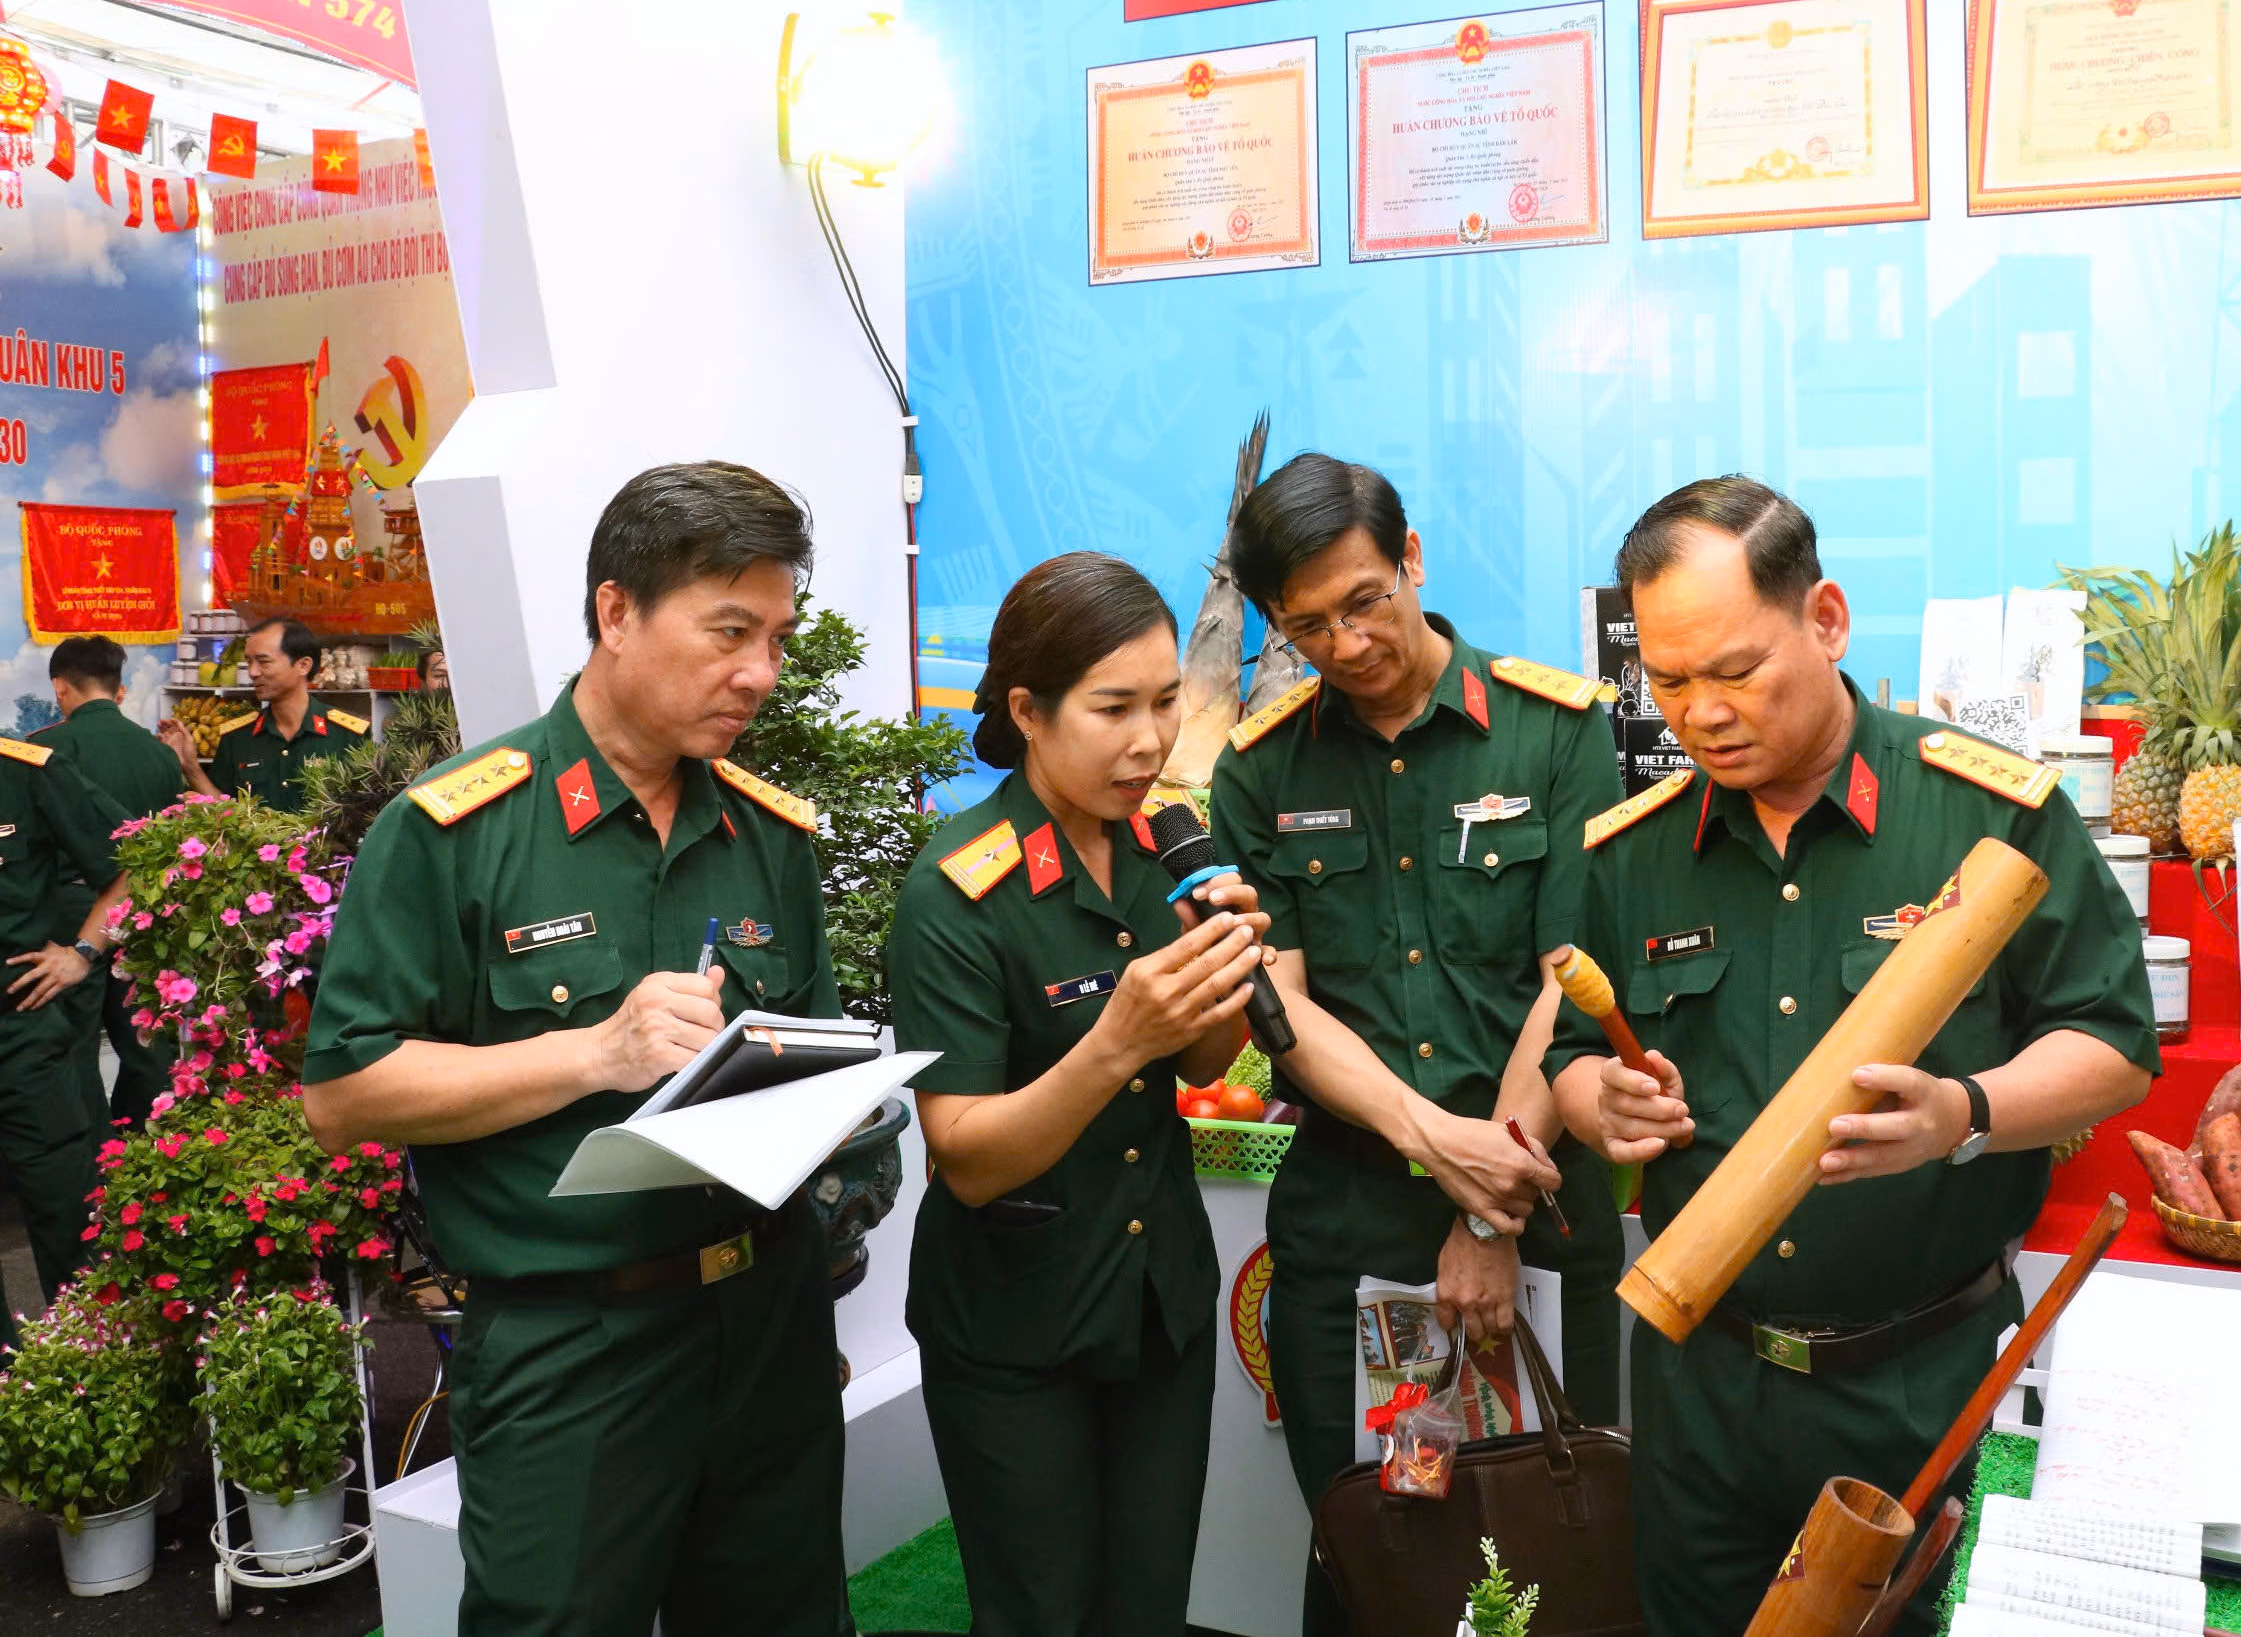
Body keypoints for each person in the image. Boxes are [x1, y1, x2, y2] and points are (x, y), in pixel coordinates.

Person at [1547, 478, 2158, 1635]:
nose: (1700, 713)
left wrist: (1960, 1114)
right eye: (1666, 682)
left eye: (1735, 671)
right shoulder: (1633, 853)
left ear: (1824, 620)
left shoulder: (1984, 814)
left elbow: (2112, 1044)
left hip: (1918, 1385)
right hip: (1702, 1388)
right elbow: (1573, 1053)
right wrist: (1597, 1100)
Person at [302, 463, 850, 1636]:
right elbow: (345, 1092)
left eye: (776, 639)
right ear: (616, 612)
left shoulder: (766, 837)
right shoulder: (457, 833)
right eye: (730, 633)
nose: (760, 672)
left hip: (768, 1329)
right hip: (573, 1343)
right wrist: (594, 1055)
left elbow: (815, 1056)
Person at [1207, 453, 1628, 1637]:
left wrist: (1488, 1212)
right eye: (1306, 628)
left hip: (1539, 1212)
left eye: (1365, 601)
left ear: (1412, 560)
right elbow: (1282, 1006)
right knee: (1372, 1560)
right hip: (1347, 1224)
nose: (1345, 645)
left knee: (1546, 1559)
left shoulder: (1552, 733)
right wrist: (1436, 1141)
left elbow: (1571, 979)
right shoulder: (1260, 767)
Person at [888, 552, 1271, 1637]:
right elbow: (966, 1157)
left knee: (1147, 1606)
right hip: (1017, 1326)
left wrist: (1230, 969)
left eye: (1166, 701)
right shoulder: (958, 892)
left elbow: (1203, 1067)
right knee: (1041, 1613)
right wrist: (1116, 1041)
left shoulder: (1164, 849)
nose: (1150, 740)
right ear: (1028, 711)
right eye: (1114, 708)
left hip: (1157, 1303)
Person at [0, 728, 133, 1347]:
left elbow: (134, 864)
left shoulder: (25, 772)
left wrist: (83, 952)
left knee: (69, 1219)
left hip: (21, 1034)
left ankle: (94, 1371)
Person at [33, 636, 188, 1131]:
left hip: (71, 913)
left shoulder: (44, 750)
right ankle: (139, 1150)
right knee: (146, 1043)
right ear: (117, 687)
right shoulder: (161, 756)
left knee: (73, 1045)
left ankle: (88, 1152)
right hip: (147, 911)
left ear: (60, 688)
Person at [159, 618, 369, 811]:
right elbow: (224, 811)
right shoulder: (237, 737)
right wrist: (191, 768)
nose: (252, 672)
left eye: (264, 662)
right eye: (249, 662)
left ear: (303, 665)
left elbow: (365, 813)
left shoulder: (349, 736)